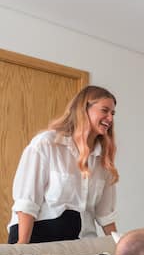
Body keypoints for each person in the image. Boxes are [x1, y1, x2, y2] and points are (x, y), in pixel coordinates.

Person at [8, 85, 119, 243]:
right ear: (83, 109)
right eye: (105, 110)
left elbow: (105, 214)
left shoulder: (103, 159)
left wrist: (120, 247)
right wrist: (22, 247)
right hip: (36, 237)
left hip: (79, 240)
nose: (110, 118)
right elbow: (27, 201)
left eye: (113, 113)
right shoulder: (47, 144)